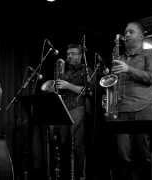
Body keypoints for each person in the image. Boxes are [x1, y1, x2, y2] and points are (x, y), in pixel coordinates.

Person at [109, 21, 152, 180]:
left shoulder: (150, 54)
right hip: (121, 109)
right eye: (126, 32)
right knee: (122, 155)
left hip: (143, 108)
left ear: (141, 36)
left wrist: (128, 69)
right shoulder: (120, 57)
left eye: (131, 32)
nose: (127, 35)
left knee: (143, 155)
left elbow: (151, 77)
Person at [54, 43, 92, 180]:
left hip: (78, 107)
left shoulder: (86, 70)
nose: (69, 56)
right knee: (63, 144)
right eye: (68, 53)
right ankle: (65, 175)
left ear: (80, 55)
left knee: (77, 145)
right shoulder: (66, 72)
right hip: (64, 109)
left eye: (73, 53)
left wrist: (68, 85)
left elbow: (88, 91)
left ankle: (79, 175)